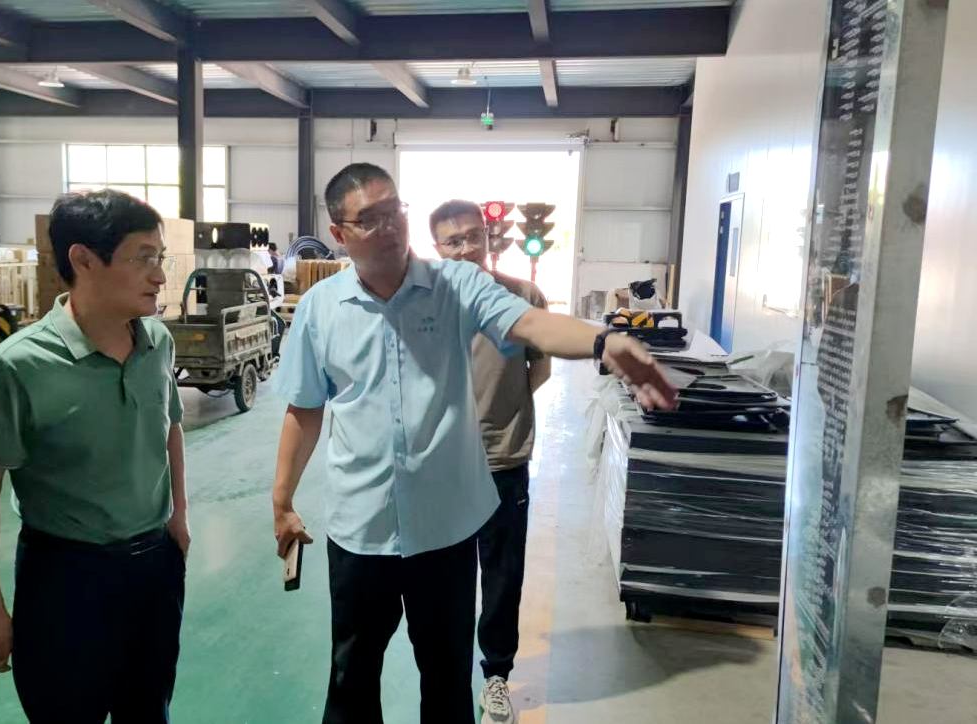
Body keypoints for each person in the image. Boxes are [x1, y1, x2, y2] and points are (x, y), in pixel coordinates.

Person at [271, 163, 676, 724]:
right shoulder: (320, 308)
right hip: (360, 531)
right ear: (339, 233)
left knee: (446, 681)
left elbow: (530, 324)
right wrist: (282, 499)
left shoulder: (455, 286)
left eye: (395, 212)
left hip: (445, 532)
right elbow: (305, 408)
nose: (389, 227)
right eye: (370, 219)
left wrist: (604, 342)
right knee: (352, 681)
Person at [0, 189, 190, 724]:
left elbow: (171, 428)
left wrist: (178, 519)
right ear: (83, 260)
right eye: (143, 258)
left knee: (148, 711)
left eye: (160, 257)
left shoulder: (157, 343)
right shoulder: (19, 366)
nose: (159, 276)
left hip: (153, 570)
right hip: (65, 580)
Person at [429, 199, 547, 724]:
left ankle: (496, 675)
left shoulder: (522, 296)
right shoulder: (426, 303)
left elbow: (538, 369)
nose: (465, 248)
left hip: (504, 458)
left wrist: (504, 410)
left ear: (488, 236)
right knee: (446, 578)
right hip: (443, 464)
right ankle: (449, 673)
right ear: (437, 248)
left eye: (473, 236)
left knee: (501, 575)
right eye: (452, 241)